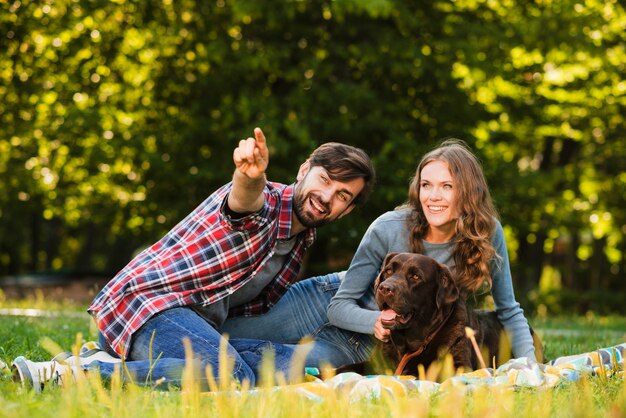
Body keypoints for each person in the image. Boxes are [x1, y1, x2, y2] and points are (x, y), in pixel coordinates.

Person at [12, 127, 375, 391]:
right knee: (232, 376)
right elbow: (243, 204)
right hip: (148, 305)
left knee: (280, 362)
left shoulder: (299, 243)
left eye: (342, 195)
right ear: (303, 171)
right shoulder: (267, 203)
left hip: (191, 324)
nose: (327, 196)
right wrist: (248, 176)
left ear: (345, 212)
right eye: (325, 179)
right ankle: (74, 377)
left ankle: (106, 362)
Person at [222, 138, 537, 369]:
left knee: (286, 366)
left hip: (371, 342)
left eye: (447, 187)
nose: (433, 196)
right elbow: (339, 306)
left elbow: (508, 310)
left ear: (468, 192)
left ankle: (199, 365)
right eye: (426, 185)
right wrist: (378, 319)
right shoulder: (390, 227)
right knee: (222, 334)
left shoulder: (485, 232)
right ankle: (182, 326)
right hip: (330, 301)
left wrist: (532, 366)